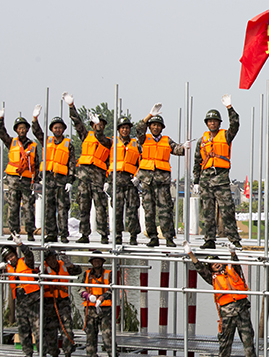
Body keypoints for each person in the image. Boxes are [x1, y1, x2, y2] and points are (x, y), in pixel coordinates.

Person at [186, 242, 259, 357]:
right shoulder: (212, 278)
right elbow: (199, 268)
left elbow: (236, 262)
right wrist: (190, 254)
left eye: (216, 261)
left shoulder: (233, 270)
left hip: (242, 311)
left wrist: (232, 252)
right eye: (212, 264)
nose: (216, 264)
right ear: (211, 268)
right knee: (225, 341)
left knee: (248, 340)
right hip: (226, 313)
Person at [135, 103, 188, 247]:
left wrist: (185, 147)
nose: (155, 127)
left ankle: (169, 237)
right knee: (149, 211)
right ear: (150, 127)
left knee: (165, 211)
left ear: (162, 128)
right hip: (147, 181)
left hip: (162, 182)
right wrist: (149, 116)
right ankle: (153, 237)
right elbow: (138, 128)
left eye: (158, 125)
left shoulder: (167, 140)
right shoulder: (144, 139)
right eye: (153, 125)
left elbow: (178, 150)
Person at [193, 96, 242, 249]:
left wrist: (229, 108)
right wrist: (196, 181)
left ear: (219, 123)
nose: (212, 123)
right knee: (207, 211)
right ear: (207, 123)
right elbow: (197, 161)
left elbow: (235, 124)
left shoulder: (226, 136)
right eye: (210, 121)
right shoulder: (202, 141)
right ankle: (209, 240)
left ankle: (234, 239)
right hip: (206, 180)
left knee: (227, 210)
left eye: (215, 121)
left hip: (221, 179)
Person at [64, 92, 111, 244]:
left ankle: (104, 235)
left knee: (100, 208)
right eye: (96, 124)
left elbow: (101, 140)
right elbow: (77, 123)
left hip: (98, 180)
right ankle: (84, 234)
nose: (99, 126)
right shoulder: (86, 136)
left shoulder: (107, 141)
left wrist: (108, 181)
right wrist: (71, 106)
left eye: (101, 124)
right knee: (84, 207)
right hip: (84, 179)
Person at [31, 110, 75, 243]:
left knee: (62, 209)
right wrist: (34, 119)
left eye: (60, 127)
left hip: (62, 181)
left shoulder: (68, 145)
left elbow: (72, 164)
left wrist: (70, 181)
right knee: (48, 208)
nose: (58, 130)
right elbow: (37, 132)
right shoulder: (46, 141)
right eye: (55, 127)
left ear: (63, 129)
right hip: (48, 181)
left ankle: (63, 234)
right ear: (52, 129)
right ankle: (51, 233)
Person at [0, 108, 40, 241]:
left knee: (28, 207)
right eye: (19, 128)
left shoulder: (33, 145)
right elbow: (1, 133)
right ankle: (13, 232)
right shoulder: (11, 142)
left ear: (27, 129)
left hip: (27, 180)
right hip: (13, 180)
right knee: (13, 206)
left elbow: (36, 164)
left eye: (23, 128)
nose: (22, 130)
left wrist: (37, 180)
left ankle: (30, 232)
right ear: (16, 130)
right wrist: (1, 120)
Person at [1, 234, 41, 357]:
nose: (10, 259)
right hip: (20, 303)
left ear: (15, 254)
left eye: (11, 256)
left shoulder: (25, 261)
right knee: (23, 330)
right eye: (8, 258)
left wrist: (20, 245)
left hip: (33, 300)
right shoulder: (7, 268)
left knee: (38, 330)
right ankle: (28, 355)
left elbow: (29, 254)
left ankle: (42, 356)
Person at [107, 116, 142, 246]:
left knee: (132, 210)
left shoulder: (136, 144)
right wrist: (107, 180)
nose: (125, 130)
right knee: (117, 210)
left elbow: (142, 162)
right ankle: (117, 236)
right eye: (122, 128)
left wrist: (138, 177)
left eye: (127, 128)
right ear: (118, 129)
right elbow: (107, 162)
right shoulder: (112, 143)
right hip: (116, 181)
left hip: (130, 181)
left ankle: (133, 236)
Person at [42, 249, 82, 357]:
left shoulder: (63, 265)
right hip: (49, 303)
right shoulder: (42, 268)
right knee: (50, 330)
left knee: (67, 328)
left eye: (53, 258)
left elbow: (78, 271)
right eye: (49, 259)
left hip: (63, 302)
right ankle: (54, 355)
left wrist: (70, 264)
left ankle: (68, 353)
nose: (52, 261)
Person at [78, 252, 117, 357]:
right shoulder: (86, 274)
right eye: (94, 261)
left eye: (98, 260)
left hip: (105, 309)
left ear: (102, 262)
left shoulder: (109, 274)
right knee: (90, 335)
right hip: (90, 308)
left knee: (107, 335)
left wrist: (103, 297)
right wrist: (87, 295)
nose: (96, 263)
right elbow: (81, 289)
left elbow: (113, 288)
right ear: (91, 262)